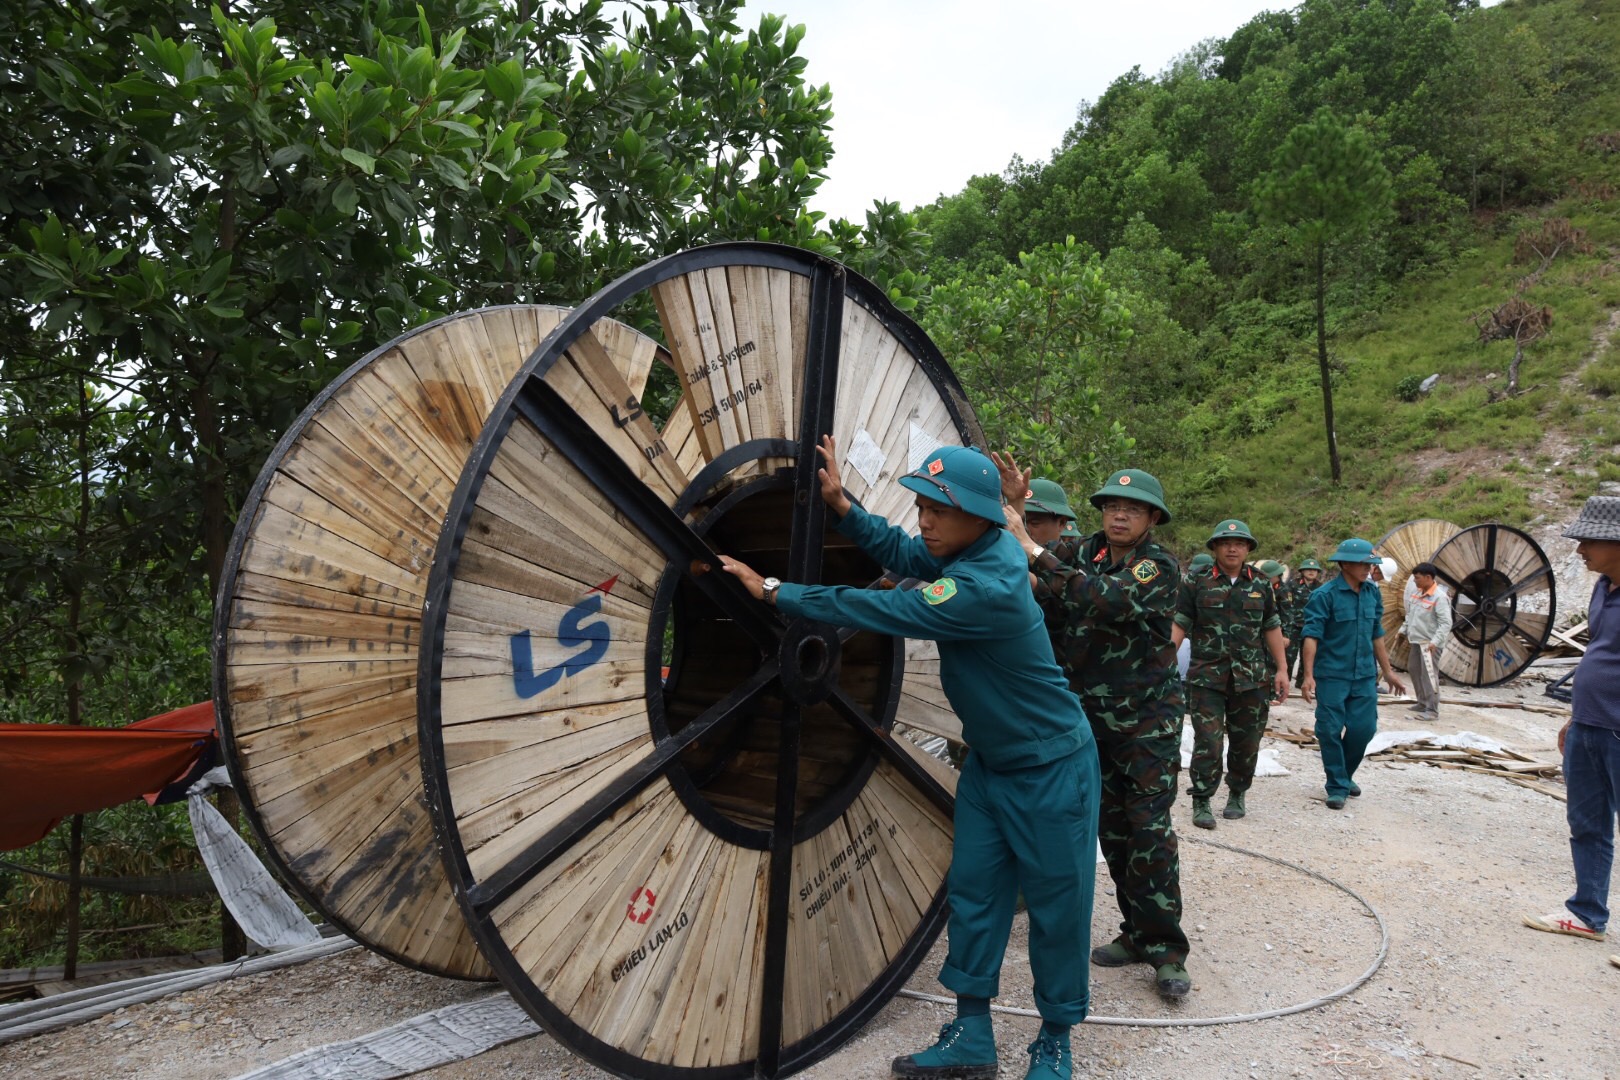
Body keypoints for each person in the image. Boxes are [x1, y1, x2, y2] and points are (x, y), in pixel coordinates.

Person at [721, 439, 1099, 1080]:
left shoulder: (990, 585)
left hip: (1051, 768)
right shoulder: (977, 545)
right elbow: (904, 554)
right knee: (975, 896)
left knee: (1060, 908)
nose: (924, 518)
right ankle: (973, 1032)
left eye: (939, 509)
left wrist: (776, 591)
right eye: (922, 503)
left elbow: (886, 606)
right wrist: (843, 506)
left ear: (979, 515)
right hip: (990, 766)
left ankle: (1055, 1038)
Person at [998, 458, 1191, 1001]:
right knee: (1111, 830)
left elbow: (1105, 599)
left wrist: (1037, 554)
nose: (1119, 516)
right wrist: (1014, 506)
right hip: (1089, 720)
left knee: (1149, 830)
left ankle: (1167, 951)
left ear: (1152, 517)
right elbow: (1018, 551)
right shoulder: (1084, 552)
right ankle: (1135, 933)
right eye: (1111, 507)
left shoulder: (1158, 566)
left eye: (1131, 509)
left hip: (1146, 723)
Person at [1523, 495, 1620, 946]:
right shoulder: (1603, 588)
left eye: (1588, 540)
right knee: (1587, 822)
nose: (1579, 549)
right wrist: (1573, 715)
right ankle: (1587, 914)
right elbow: (1597, 654)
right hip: (1588, 726)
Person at [1172, 523, 1289, 829]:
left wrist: (1283, 669)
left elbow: (1271, 626)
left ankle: (1237, 792)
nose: (1232, 548)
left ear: (1248, 548)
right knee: (1208, 742)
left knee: (1246, 741)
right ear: (1215, 547)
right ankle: (1202, 799)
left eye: (1239, 543)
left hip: (1251, 678)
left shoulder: (1261, 584)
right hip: (1206, 677)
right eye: (1226, 543)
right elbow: (1180, 622)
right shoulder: (1196, 581)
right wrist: (1162, 660)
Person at [1299, 538, 1407, 809]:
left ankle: (1344, 775)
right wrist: (1308, 675)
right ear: (1345, 564)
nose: (1369, 569)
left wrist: (1388, 672)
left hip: (1363, 676)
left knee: (1364, 728)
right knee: (1329, 730)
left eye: (1371, 564)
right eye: (1363, 564)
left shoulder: (1372, 593)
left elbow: (1377, 635)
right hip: (1332, 675)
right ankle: (1337, 785)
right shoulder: (1324, 596)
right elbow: (1311, 636)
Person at [1402, 561, 1452, 722]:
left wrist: (1435, 642)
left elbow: (1446, 623)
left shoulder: (1439, 597)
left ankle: (1432, 709)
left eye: (1417, 578)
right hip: (1417, 640)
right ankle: (1422, 702)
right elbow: (1411, 615)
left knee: (1429, 675)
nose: (1415, 581)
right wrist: (1403, 630)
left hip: (1430, 644)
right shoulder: (1417, 593)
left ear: (1428, 577)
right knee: (1414, 669)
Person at [1289, 558, 1326, 687]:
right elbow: (1285, 604)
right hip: (1293, 626)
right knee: (1289, 655)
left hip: (1311, 627)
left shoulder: (1321, 588)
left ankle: (1302, 682)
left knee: (1308, 656)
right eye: (1308, 569)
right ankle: (1284, 682)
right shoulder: (1292, 585)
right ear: (1302, 571)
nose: (1311, 572)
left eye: (1314, 570)